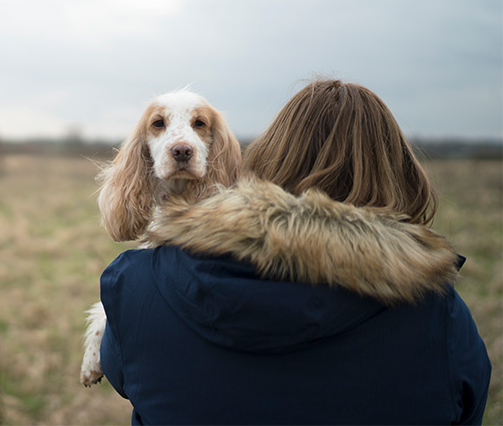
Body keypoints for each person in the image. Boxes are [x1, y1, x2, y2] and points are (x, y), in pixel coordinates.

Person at [99, 79, 491, 425]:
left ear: (268, 157)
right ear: (401, 171)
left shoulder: (137, 285)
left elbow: (124, 375)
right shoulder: (438, 311)